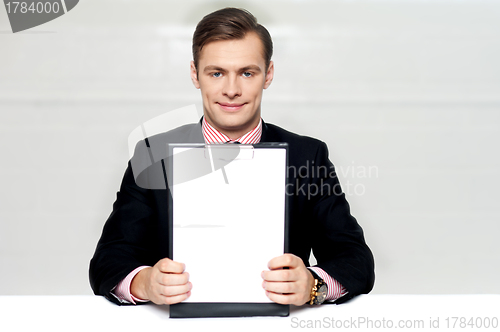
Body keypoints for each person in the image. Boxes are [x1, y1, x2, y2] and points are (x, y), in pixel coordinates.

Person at [89, 7, 374, 307]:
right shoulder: (153, 156)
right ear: (195, 75)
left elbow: (356, 259)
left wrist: (313, 286)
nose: (231, 90)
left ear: (268, 75)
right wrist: (144, 282)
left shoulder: (308, 157)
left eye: (247, 73)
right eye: (216, 73)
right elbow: (108, 261)